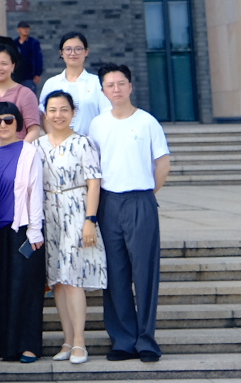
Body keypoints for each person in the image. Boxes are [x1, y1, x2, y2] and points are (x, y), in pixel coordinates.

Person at [90, 63, 170, 363]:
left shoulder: (147, 122)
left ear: (130, 86)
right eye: (110, 85)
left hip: (140, 200)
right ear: (103, 91)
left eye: (121, 83)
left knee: (145, 272)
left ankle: (146, 340)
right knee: (115, 273)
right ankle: (123, 340)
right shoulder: (97, 124)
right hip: (108, 203)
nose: (116, 89)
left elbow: (162, 164)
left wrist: (146, 195)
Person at [35, 90, 105, 364]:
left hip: (76, 212)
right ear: (45, 113)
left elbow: (94, 183)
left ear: (73, 113)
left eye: (64, 109)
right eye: (53, 110)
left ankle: (79, 343)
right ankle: (66, 339)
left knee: (73, 278)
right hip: (48, 214)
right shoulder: (37, 146)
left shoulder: (83, 143)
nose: (58, 115)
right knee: (58, 281)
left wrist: (90, 220)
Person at [0, 101, 45, 363]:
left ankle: (29, 346)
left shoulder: (29, 151)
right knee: (6, 288)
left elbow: (35, 191)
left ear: (18, 122)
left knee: (27, 287)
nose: (3, 125)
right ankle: (8, 346)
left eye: (8, 120)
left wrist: (35, 230)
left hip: (24, 230)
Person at [37, 31, 105, 137]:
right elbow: (44, 116)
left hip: (91, 142)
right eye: (68, 49)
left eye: (78, 49)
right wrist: (57, 141)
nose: (73, 53)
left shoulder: (97, 83)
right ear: (61, 52)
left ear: (86, 52)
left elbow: (105, 115)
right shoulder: (51, 83)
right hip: (57, 144)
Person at [13, 22, 44, 88]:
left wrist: (37, 73)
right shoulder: (14, 43)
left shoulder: (34, 43)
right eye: (23, 28)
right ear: (18, 30)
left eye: (27, 28)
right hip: (16, 76)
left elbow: (38, 58)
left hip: (29, 76)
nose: (25, 30)